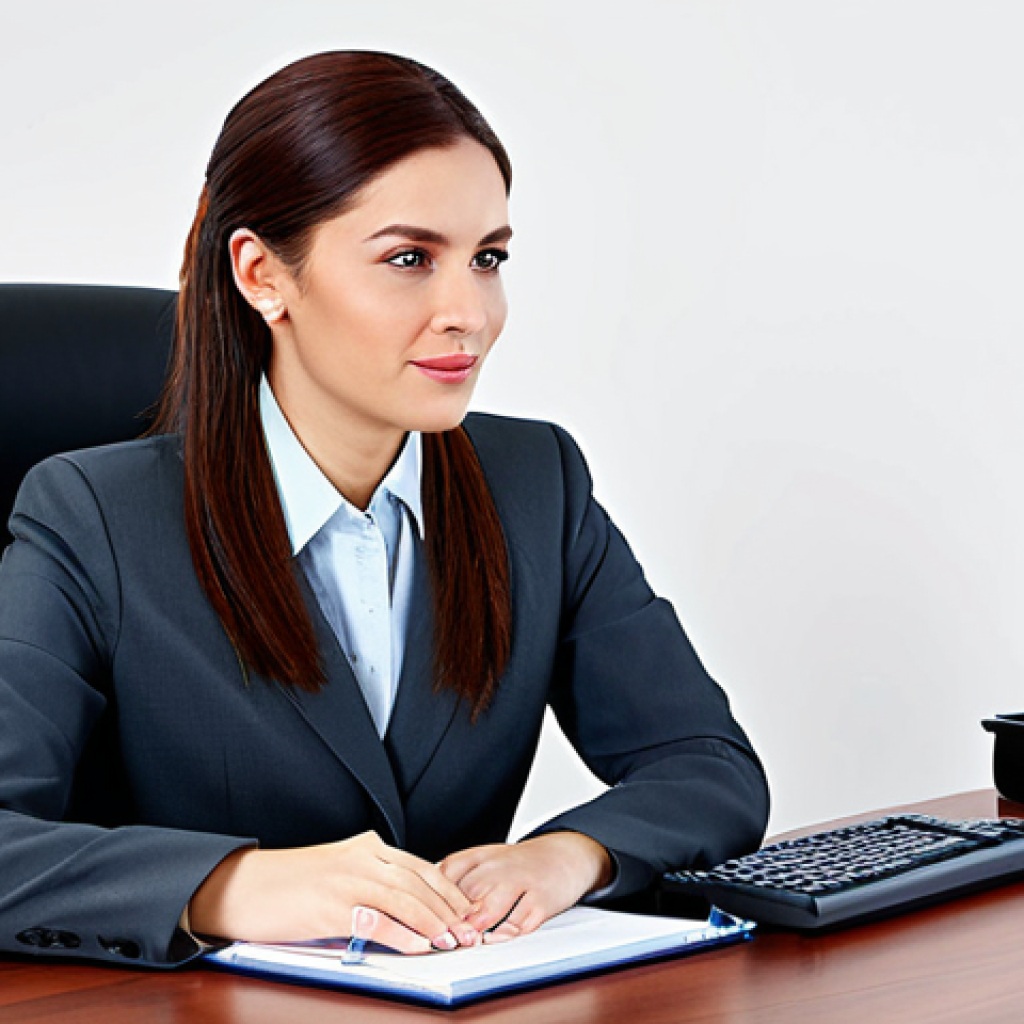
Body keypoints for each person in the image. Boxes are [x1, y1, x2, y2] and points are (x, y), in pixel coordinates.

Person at [0, 50, 769, 967]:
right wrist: (235, 885)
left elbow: (708, 767)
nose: (469, 314)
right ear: (261, 274)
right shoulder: (91, 517)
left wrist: (572, 856)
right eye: (410, 259)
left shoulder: (538, 480)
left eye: (488, 258)